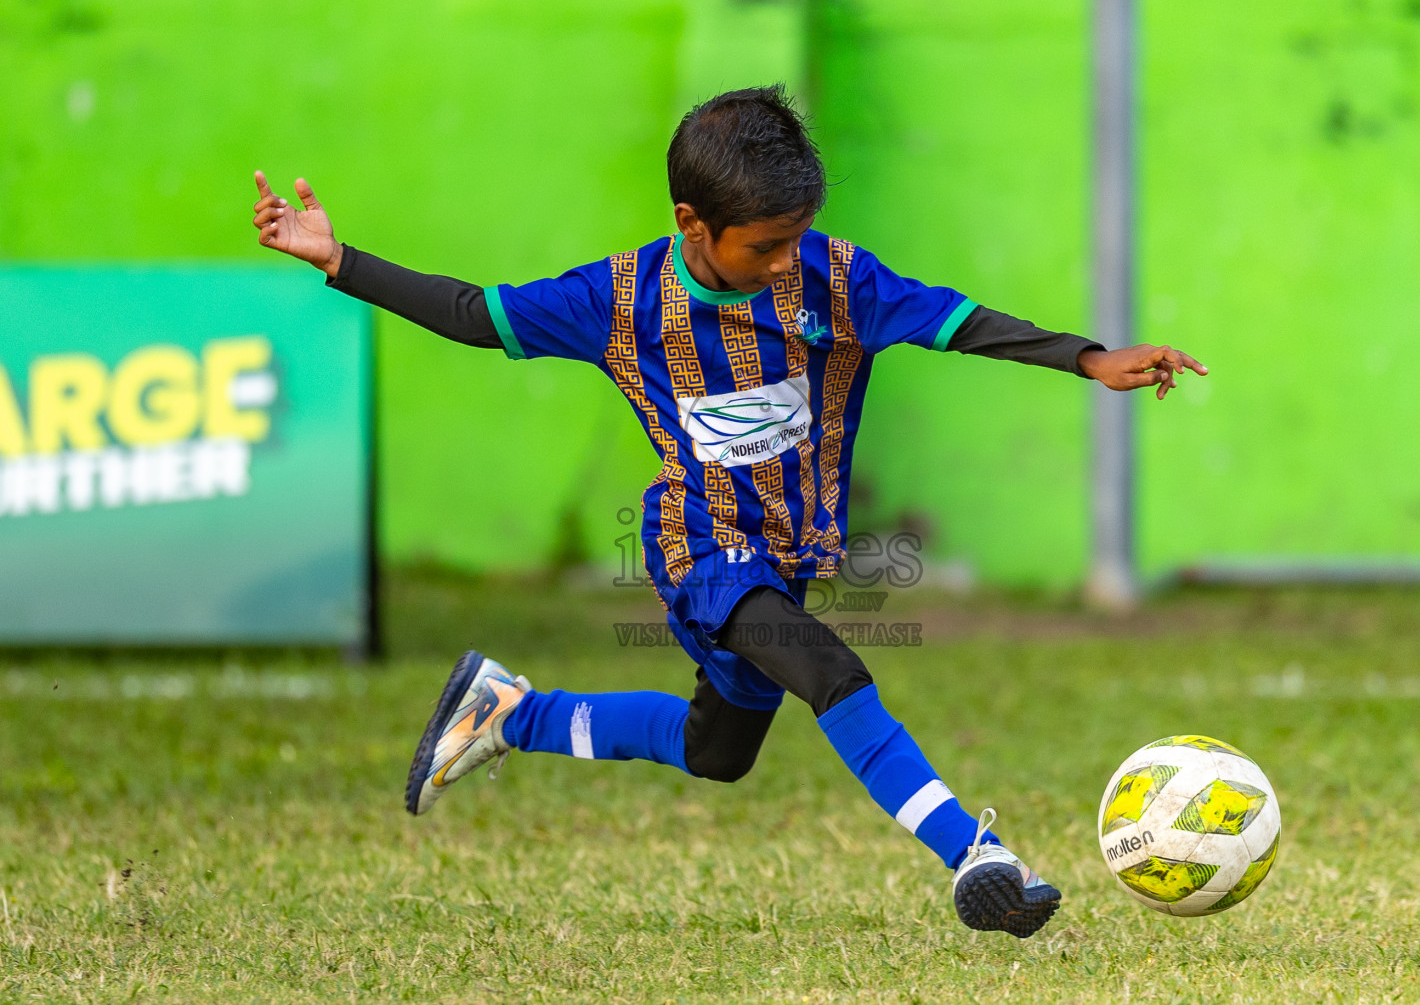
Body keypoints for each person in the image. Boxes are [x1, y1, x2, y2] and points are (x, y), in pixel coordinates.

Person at [250, 85, 1205, 939]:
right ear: (692, 223)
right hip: (699, 548)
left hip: (789, 557)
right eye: (766, 245)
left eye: (797, 238)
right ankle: (978, 856)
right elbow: (475, 314)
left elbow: (955, 321)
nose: (788, 261)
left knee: (716, 753)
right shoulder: (616, 299)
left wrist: (1088, 358)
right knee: (829, 671)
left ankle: (513, 714)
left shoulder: (838, 279)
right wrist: (339, 259)